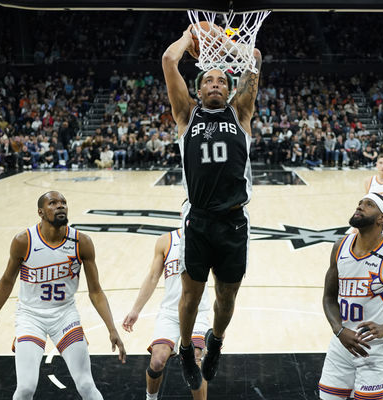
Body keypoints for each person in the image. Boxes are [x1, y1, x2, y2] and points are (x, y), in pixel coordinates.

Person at [162, 27, 261, 389]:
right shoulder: (187, 116)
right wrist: (190, 35)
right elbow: (169, 60)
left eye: (223, 80)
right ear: (199, 89)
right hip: (199, 220)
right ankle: (187, 348)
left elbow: (256, 58)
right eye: (209, 81)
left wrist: (221, 39)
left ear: (230, 89)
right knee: (192, 293)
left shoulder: (241, 113)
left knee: (227, 295)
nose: (216, 84)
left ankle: (216, 340)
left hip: (234, 220)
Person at [0, 191, 126, 399]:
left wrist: (112, 328)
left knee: (87, 384)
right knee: (25, 388)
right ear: (41, 212)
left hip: (65, 316)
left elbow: (96, 291)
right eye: (53, 203)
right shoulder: (23, 241)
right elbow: (6, 283)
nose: (60, 206)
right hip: (30, 317)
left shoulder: (82, 242)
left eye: (63, 202)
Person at [318, 193, 383, 400]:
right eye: (359, 203)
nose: (360, 206)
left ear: (381, 218)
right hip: (342, 345)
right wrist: (339, 330)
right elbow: (328, 298)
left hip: (376, 351)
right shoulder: (340, 246)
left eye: (368, 205)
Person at [122, 225, 210, 400]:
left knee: (195, 358)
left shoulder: (208, 238)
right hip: (170, 313)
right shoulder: (165, 241)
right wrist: (135, 310)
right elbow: (153, 277)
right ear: (182, 214)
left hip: (197, 312)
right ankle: (151, 398)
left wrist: (219, 329)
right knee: (157, 361)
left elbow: (221, 277)